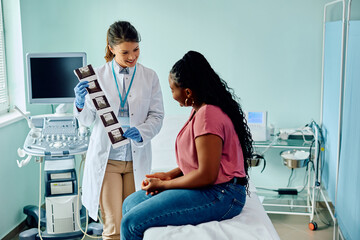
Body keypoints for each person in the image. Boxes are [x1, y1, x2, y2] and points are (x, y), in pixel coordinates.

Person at [120, 50, 253, 240]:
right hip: (210, 187)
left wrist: (165, 185)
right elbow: (199, 162)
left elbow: (207, 175)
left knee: (131, 224)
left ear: (188, 92)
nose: (172, 94)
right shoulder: (198, 110)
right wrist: (168, 176)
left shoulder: (208, 115)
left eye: (172, 89)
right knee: (129, 203)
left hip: (223, 195)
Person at [73, 21, 164, 240]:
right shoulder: (96, 76)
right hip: (108, 161)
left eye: (136, 50)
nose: (132, 57)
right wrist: (79, 103)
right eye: (125, 52)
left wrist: (142, 131)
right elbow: (87, 120)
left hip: (136, 158)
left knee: (133, 223)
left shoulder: (149, 76)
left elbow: (157, 116)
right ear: (112, 48)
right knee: (113, 227)